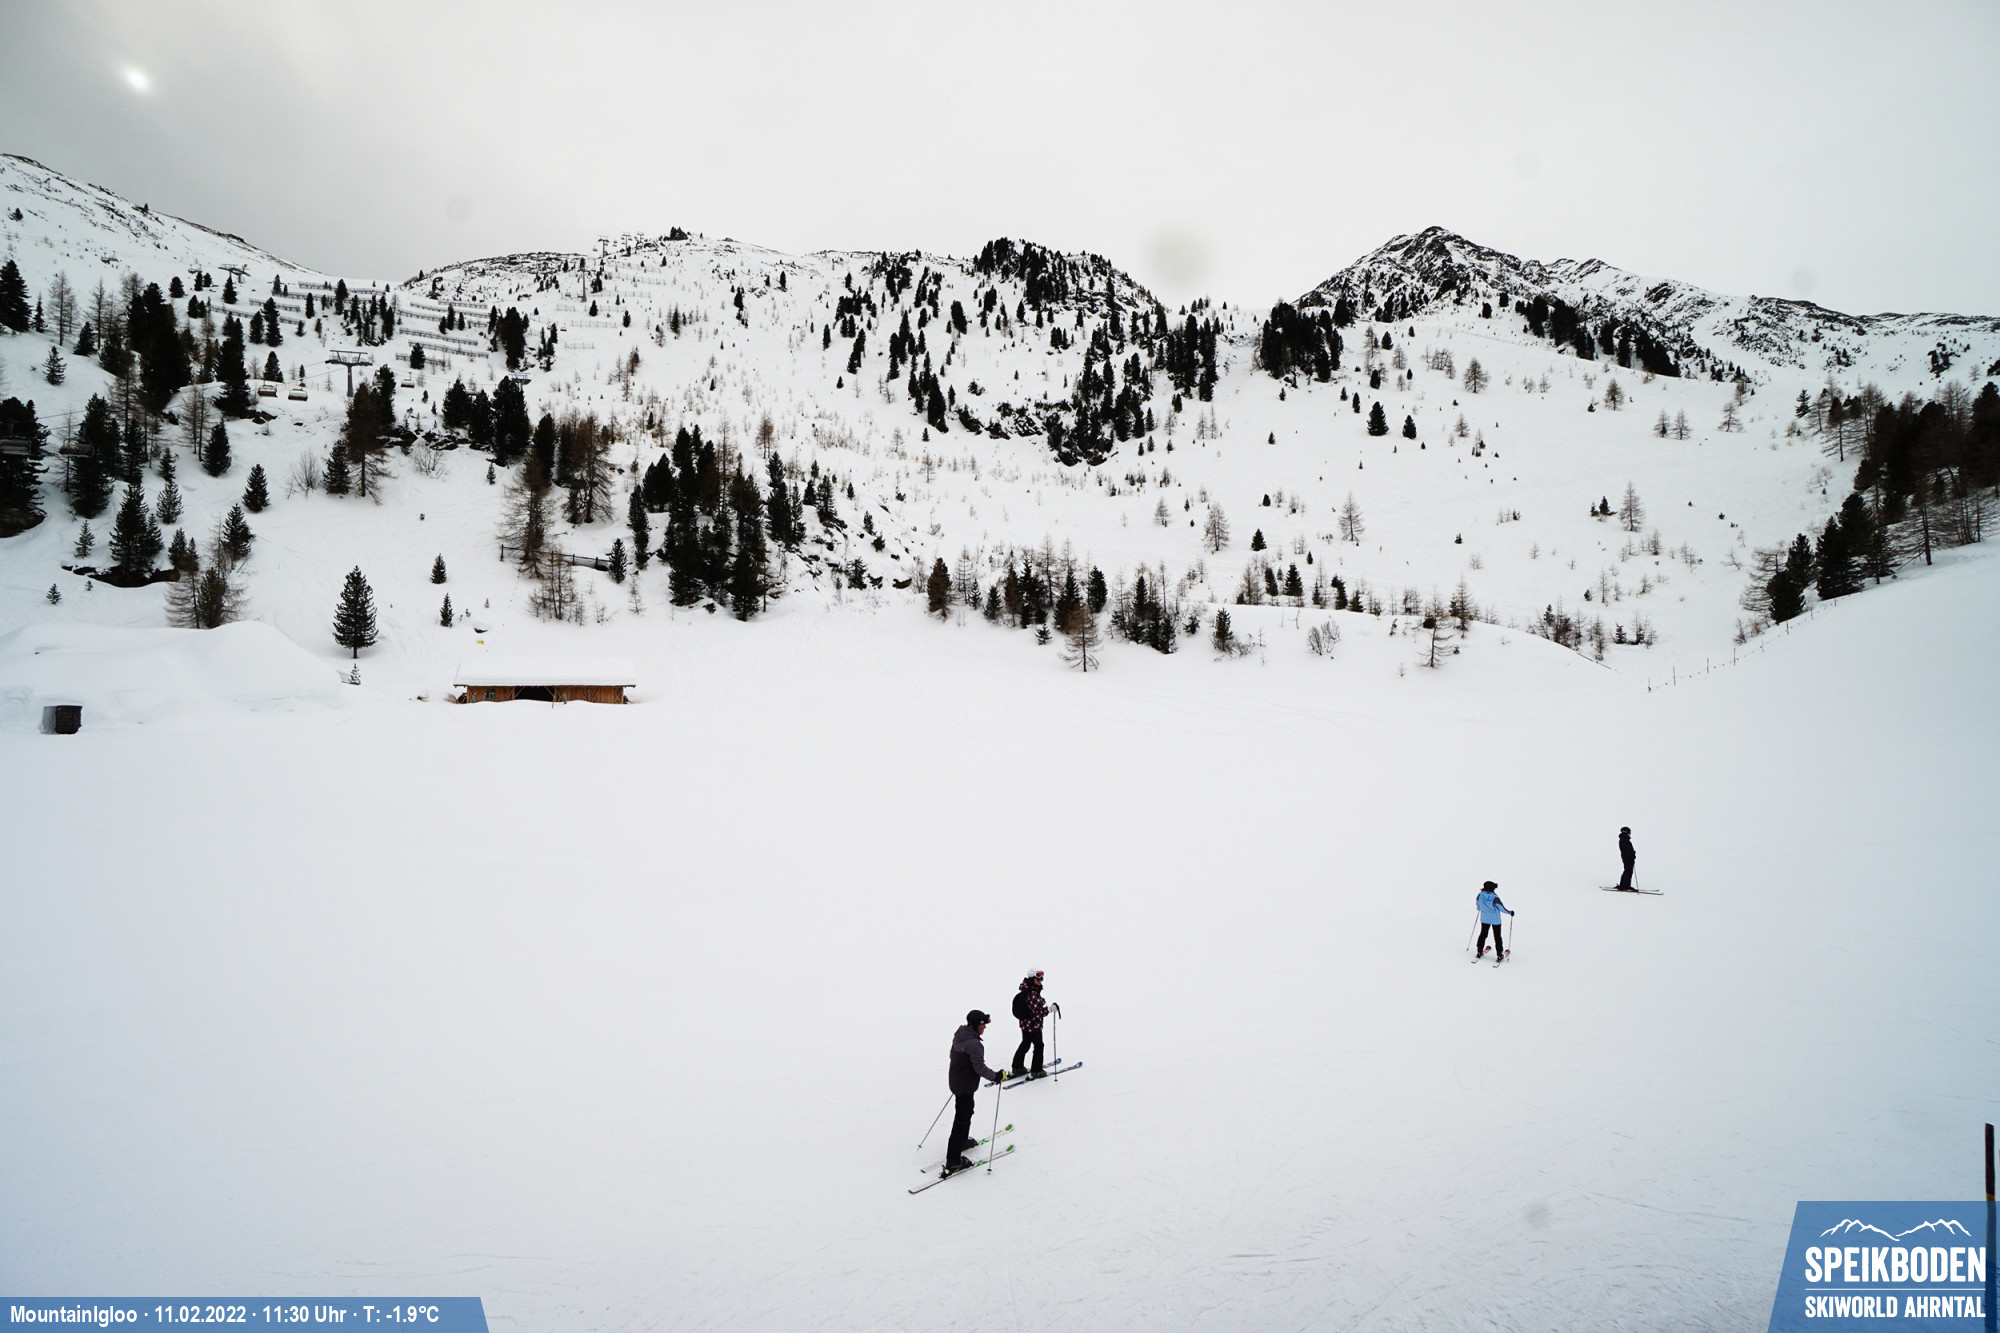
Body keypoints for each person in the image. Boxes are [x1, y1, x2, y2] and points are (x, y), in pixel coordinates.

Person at [945, 1009, 1004, 1175]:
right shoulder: (974, 1044)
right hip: (963, 1085)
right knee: (961, 1120)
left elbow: (953, 1056)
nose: (985, 1028)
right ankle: (953, 1161)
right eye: (983, 1025)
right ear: (976, 1026)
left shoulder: (960, 1035)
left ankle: (963, 1141)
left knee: (968, 1111)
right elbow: (979, 1068)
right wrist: (996, 1076)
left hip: (960, 1082)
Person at [1010, 970, 1052, 1079]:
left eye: (1041, 978)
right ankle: (1037, 1070)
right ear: (1032, 979)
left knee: (1025, 1043)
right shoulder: (1033, 993)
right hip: (1034, 1026)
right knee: (1039, 1046)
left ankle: (1017, 1067)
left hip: (1025, 1025)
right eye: (1038, 979)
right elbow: (1038, 1012)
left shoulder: (1026, 990)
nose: (1040, 981)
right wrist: (1050, 1009)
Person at [1475, 880, 1514, 961]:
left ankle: (1479, 951)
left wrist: (1479, 908)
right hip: (1495, 920)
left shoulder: (1480, 895)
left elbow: (1478, 904)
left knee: (1483, 934)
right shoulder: (1494, 897)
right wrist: (1509, 912)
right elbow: (1501, 908)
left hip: (1485, 919)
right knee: (1497, 937)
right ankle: (1499, 954)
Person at [1616, 827, 1637, 891]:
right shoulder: (1624, 840)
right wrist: (1631, 856)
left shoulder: (1624, 839)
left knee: (1627, 870)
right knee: (1628, 871)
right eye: (1629, 833)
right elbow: (1626, 850)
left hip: (1627, 857)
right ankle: (1626, 885)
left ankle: (1623, 885)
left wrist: (1632, 854)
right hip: (1627, 858)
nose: (1629, 834)